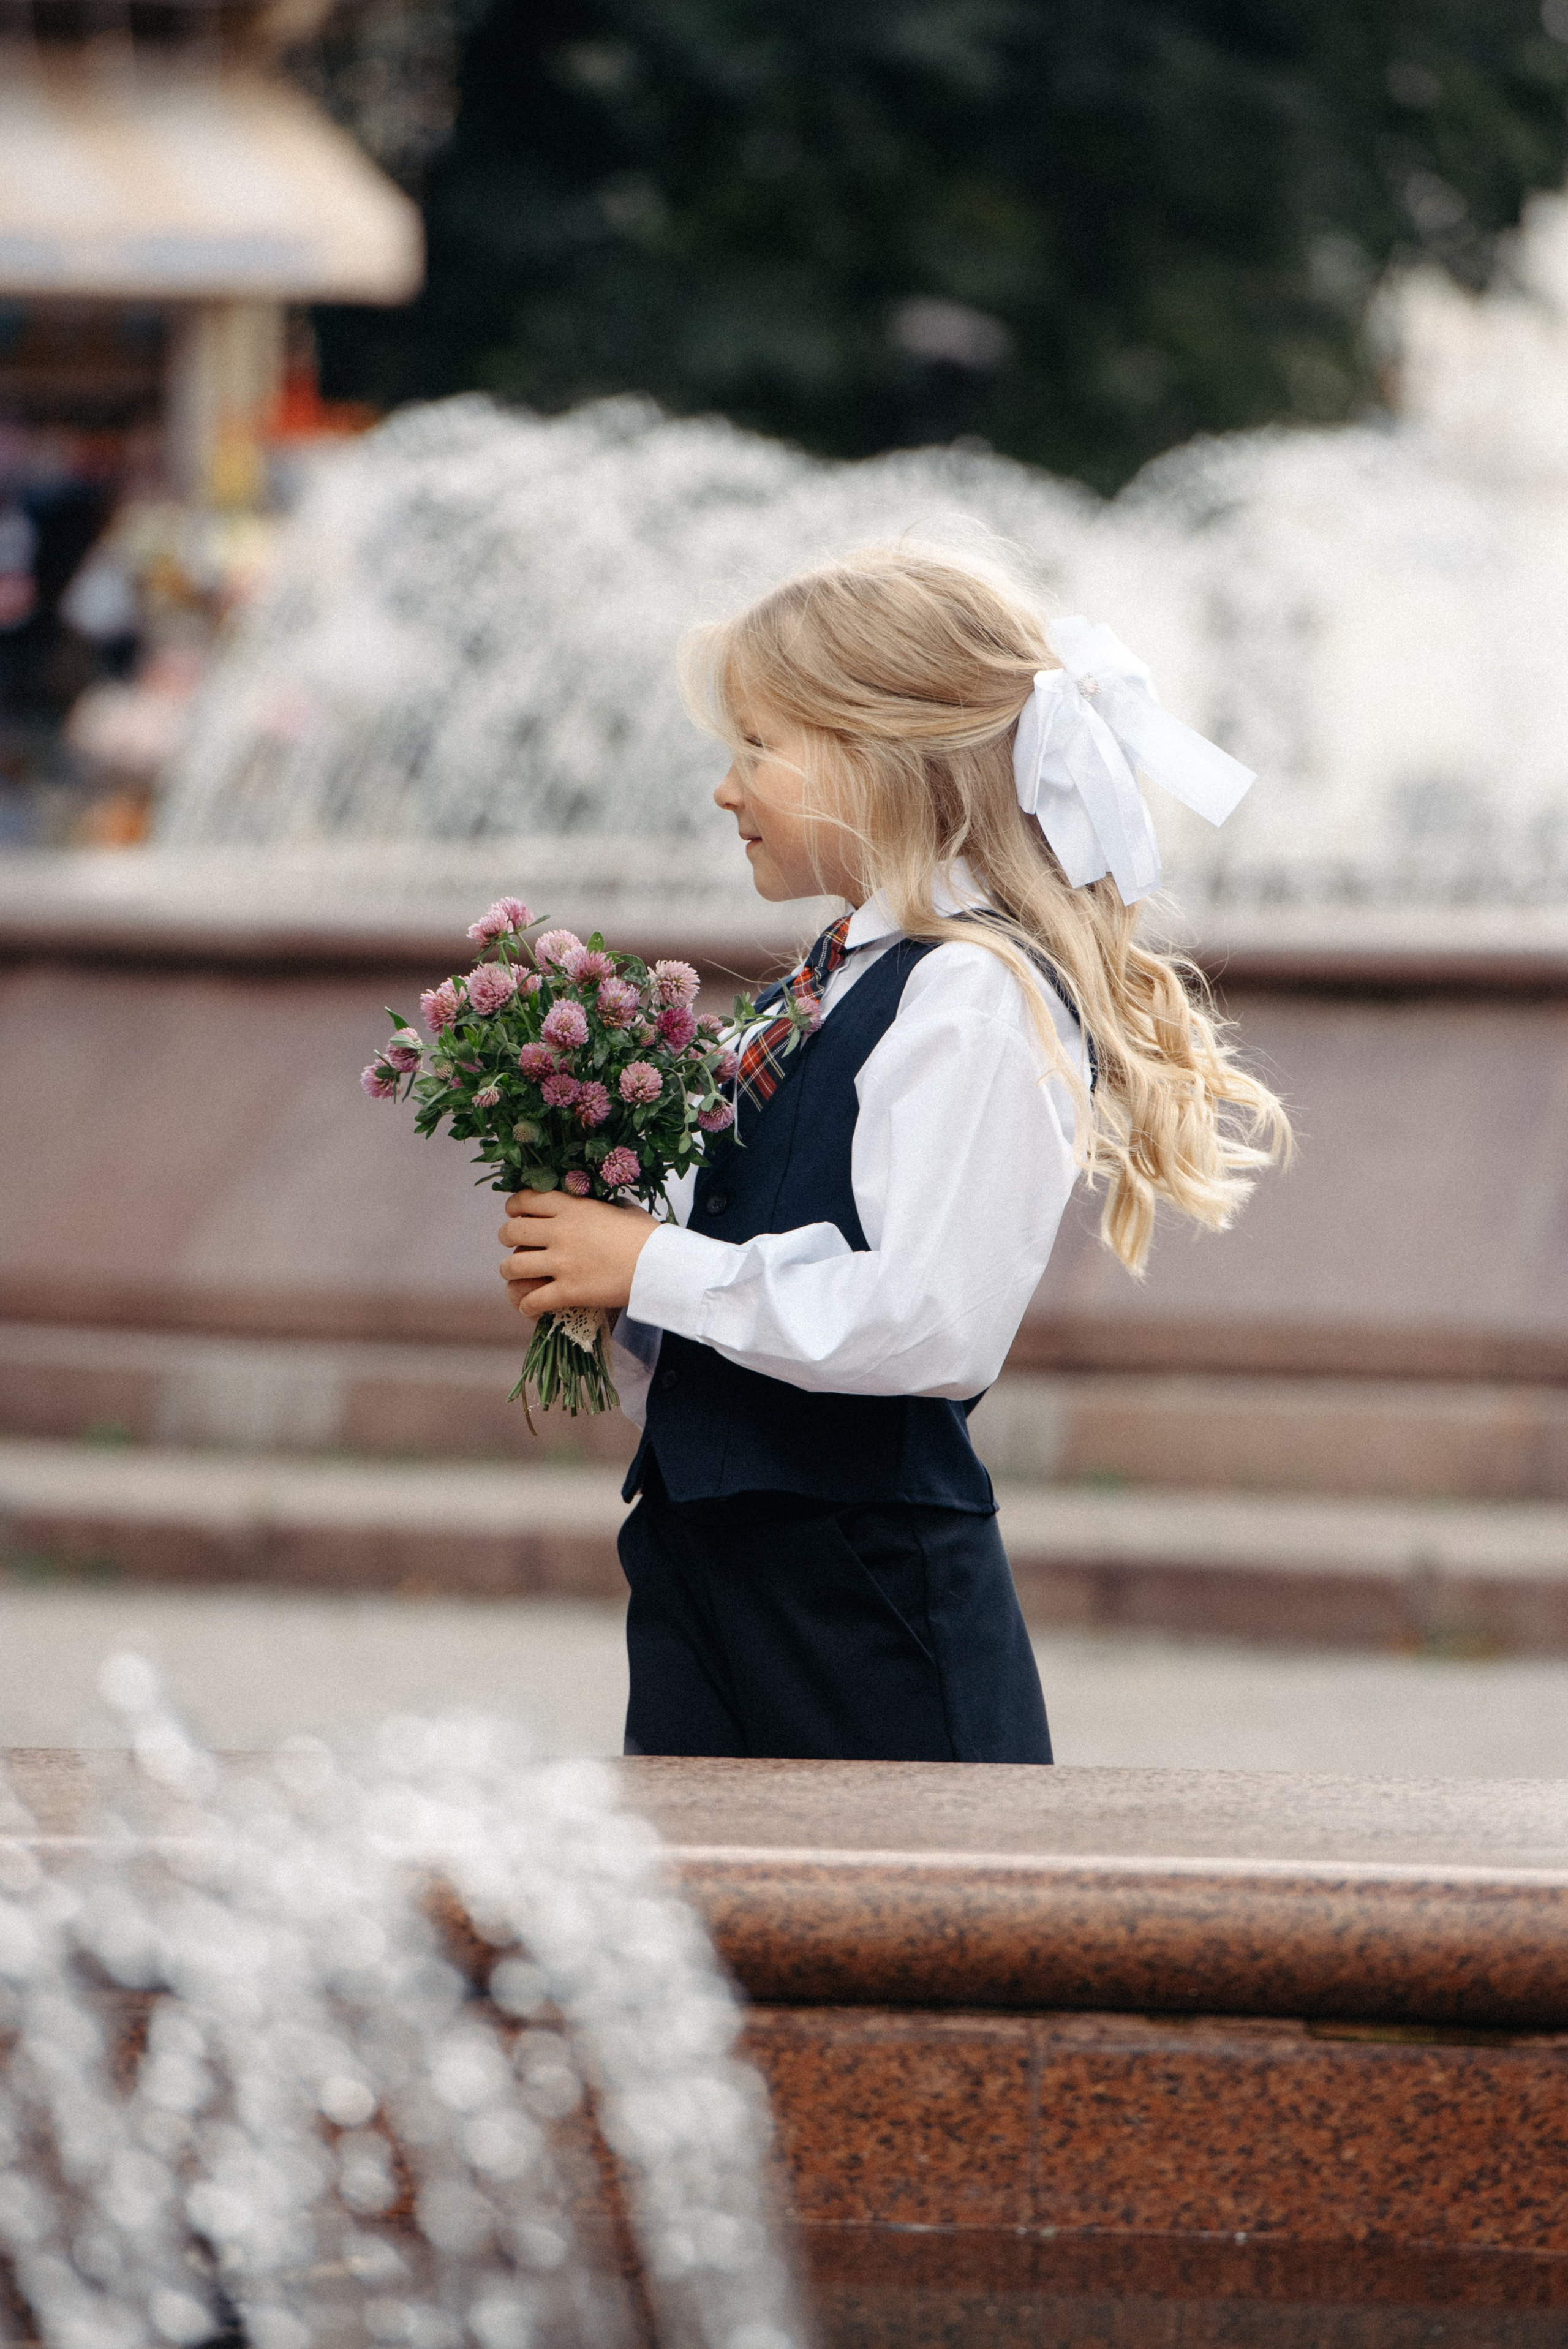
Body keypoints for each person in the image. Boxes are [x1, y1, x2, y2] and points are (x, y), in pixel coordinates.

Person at [497, 543, 1290, 1763]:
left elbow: (925, 1322)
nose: (724, 788)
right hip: (713, 1559)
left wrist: (645, 1263)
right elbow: (769, 1218)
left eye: (757, 746)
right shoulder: (833, 981)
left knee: (899, 1948)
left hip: (857, 1597)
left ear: (879, 760)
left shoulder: (969, 993)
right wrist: (607, 1211)